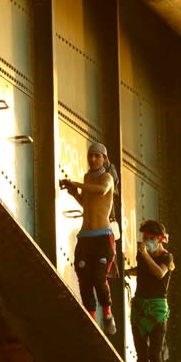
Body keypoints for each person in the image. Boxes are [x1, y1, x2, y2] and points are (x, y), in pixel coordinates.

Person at [59, 142, 117, 335]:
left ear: (104, 159)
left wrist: (77, 183)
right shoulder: (87, 178)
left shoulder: (106, 178)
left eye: (97, 156)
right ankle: (92, 320)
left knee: (99, 277)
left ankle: (108, 315)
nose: (92, 159)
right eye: (90, 156)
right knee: (84, 279)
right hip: (85, 237)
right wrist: (74, 192)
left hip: (102, 237)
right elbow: (88, 203)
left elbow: (101, 190)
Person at [125, 220, 174, 362]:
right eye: (144, 237)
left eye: (150, 238)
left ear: (160, 239)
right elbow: (144, 271)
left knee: (155, 353)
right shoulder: (142, 256)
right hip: (139, 306)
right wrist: (127, 271)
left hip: (157, 310)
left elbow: (159, 273)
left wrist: (145, 255)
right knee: (142, 355)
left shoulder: (166, 258)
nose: (146, 241)